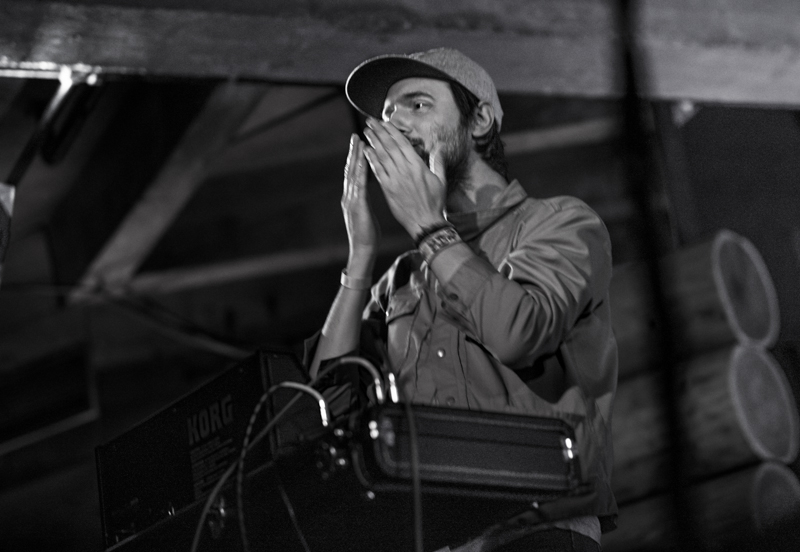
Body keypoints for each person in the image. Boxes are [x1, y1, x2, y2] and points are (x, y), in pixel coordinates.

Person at [306, 47, 618, 551]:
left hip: (539, 528)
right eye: (386, 116)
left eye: (418, 105)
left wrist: (429, 228)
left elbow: (522, 333)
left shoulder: (559, 222)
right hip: (439, 537)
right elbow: (325, 405)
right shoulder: (399, 281)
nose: (396, 125)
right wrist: (361, 258)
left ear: (480, 120)